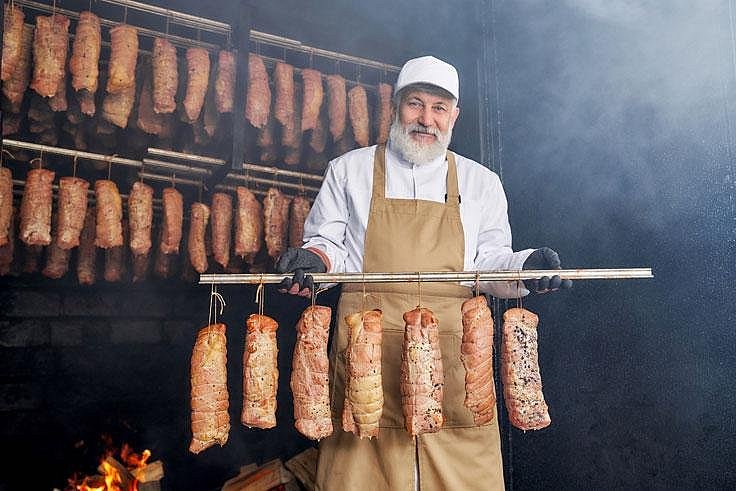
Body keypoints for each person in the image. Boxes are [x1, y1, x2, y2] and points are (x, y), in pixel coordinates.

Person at [276, 55, 571, 491]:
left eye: (438, 108)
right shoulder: (349, 171)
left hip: (452, 371)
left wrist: (527, 267)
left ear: (454, 116)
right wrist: (312, 261)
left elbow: (490, 264)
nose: (426, 119)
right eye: (415, 104)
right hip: (366, 368)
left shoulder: (481, 183)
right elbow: (330, 248)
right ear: (395, 107)